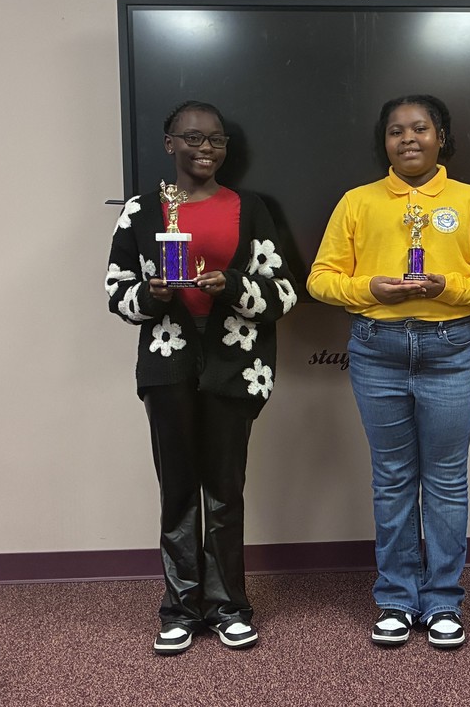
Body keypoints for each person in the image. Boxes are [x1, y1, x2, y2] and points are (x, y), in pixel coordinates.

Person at [307, 94, 470, 649]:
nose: (408, 139)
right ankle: (397, 598)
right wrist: (367, 288)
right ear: (384, 142)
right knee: (393, 479)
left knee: (447, 481)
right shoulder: (357, 202)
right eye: (396, 131)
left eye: (420, 128)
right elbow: (320, 279)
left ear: (441, 136)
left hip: (450, 349)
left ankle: (445, 599)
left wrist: (450, 286)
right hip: (376, 350)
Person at [105, 100, 297, 655]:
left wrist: (231, 286)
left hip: (233, 366)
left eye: (215, 139)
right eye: (192, 138)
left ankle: (230, 605)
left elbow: (282, 293)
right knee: (177, 488)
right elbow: (117, 291)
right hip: (167, 364)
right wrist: (151, 294)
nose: (205, 148)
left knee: (225, 489)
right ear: (169, 144)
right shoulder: (141, 211)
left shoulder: (251, 208)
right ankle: (180, 608)